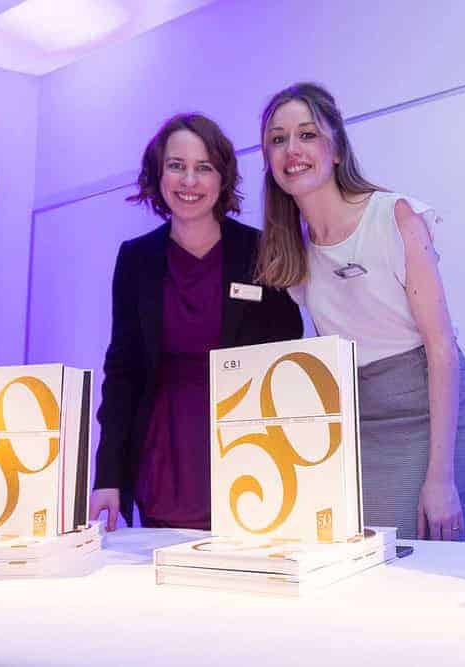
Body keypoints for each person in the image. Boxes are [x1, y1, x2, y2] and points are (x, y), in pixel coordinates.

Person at [255, 83, 465, 541]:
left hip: (430, 413)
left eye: (307, 135)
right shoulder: (292, 250)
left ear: (336, 148)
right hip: (361, 422)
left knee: (417, 562)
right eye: (278, 140)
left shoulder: (395, 216)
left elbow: (441, 348)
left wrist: (440, 478)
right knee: (361, 564)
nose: (292, 150)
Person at [90, 113, 303, 531]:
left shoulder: (261, 251)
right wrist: (108, 477)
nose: (189, 181)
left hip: (249, 451)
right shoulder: (136, 259)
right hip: (162, 454)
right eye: (176, 165)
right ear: (158, 173)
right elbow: (122, 374)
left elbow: (288, 357)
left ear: (222, 178)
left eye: (204, 167)